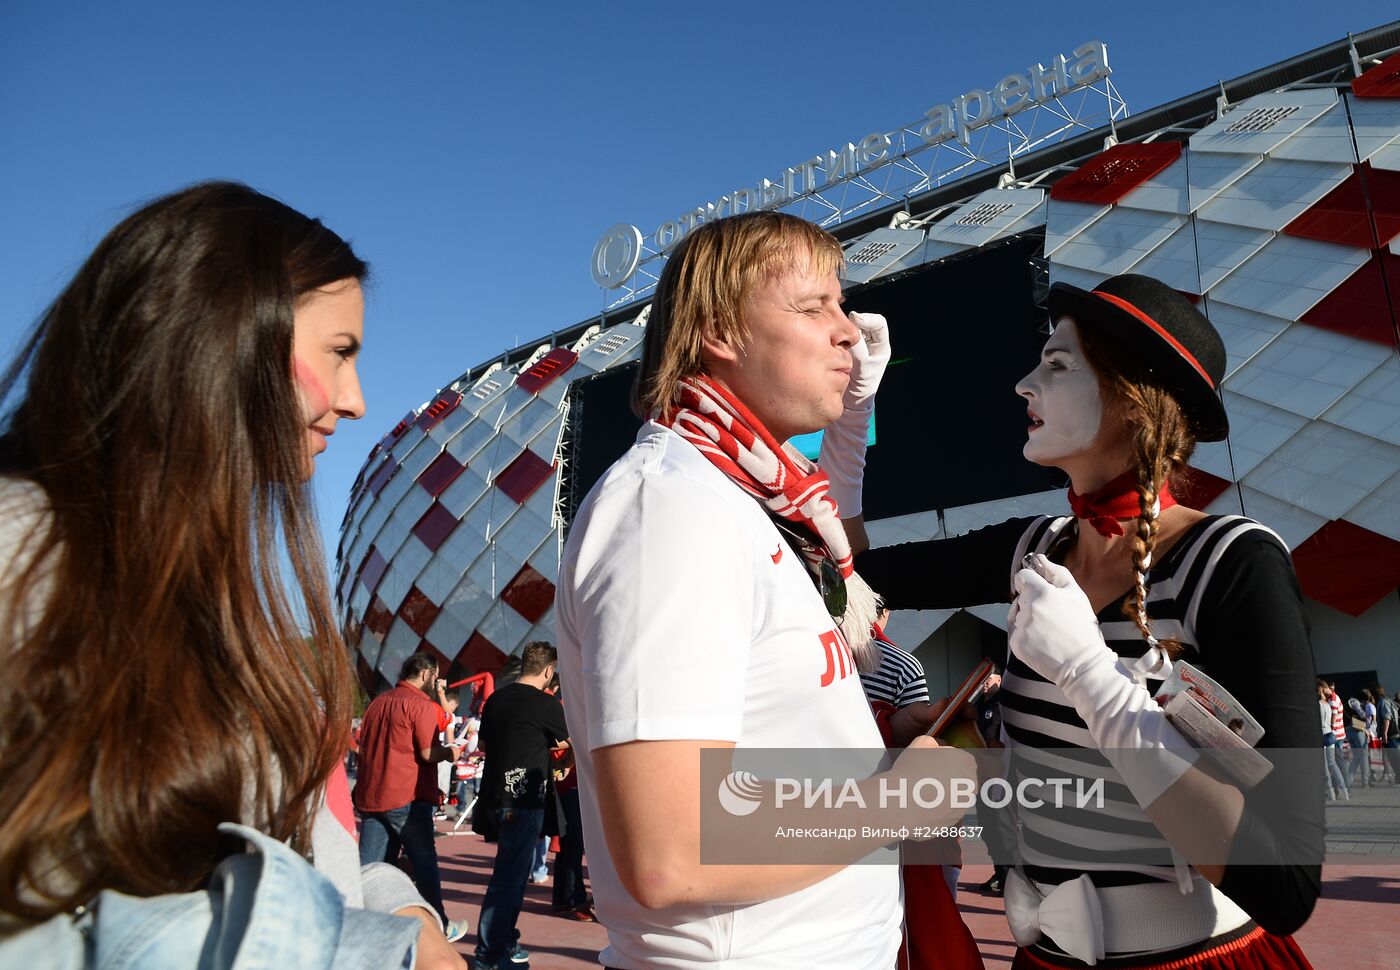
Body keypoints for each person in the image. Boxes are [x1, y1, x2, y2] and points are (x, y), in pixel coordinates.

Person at [0, 181, 463, 968]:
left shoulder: (186, 585)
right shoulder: (33, 562)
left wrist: (398, 907)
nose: (356, 401)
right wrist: (378, 950)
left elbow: (275, 860)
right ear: (227, 334)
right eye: (340, 352)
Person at [852, 274, 1324, 967]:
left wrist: (1087, 675)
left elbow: (1287, 882)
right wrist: (848, 425)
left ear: (1132, 402)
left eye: (1057, 364)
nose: (1023, 384)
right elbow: (847, 576)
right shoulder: (1032, 549)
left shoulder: (1231, 562)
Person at [555, 211, 958, 968]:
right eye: (814, 307)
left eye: (845, 305)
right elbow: (672, 850)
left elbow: (834, 513)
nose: (850, 331)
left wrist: (857, 410)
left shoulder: (743, 501)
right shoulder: (669, 510)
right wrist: (899, 800)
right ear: (719, 330)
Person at [354, 652, 469, 942]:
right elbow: (428, 753)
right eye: (436, 676)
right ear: (427, 674)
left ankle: (365, 925)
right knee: (424, 863)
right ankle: (439, 923)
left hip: (372, 795)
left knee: (371, 868)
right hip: (407, 796)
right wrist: (452, 752)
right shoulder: (421, 705)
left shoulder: (378, 703)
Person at [472, 641, 570, 970]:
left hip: (496, 797)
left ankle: (504, 941)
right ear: (548, 670)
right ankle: (489, 955)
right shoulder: (545, 704)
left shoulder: (496, 699)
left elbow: (484, 744)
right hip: (525, 799)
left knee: (512, 873)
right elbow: (570, 741)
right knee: (509, 877)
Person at [1319, 680, 1350, 801]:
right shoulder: (1331, 700)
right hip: (1334, 735)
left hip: (1332, 735)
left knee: (1330, 764)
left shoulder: (1330, 700)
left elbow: (1333, 716)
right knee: (1334, 763)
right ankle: (1343, 790)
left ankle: (1333, 790)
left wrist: (1331, 728)